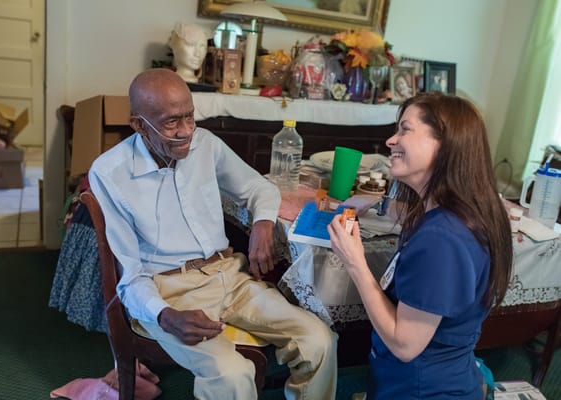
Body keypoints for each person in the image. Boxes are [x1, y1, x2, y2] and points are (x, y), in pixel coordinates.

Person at [88, 68, 337, 400]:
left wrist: (263, 222)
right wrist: (164, 315)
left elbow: (258, 188)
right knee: (232, 374)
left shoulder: (206, 144)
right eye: (171, 122)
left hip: (229, 276)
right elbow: (129, 272)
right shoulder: (109, 173)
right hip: (168, 290)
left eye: (190, 117)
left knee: (318, 339)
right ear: (138, 125)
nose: (186, 131)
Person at [328, 92, 512, 399]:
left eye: (404, 129)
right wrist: (376, 202)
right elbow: (410, 212)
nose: (390, 140)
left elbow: (404, 345)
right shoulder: (467, 210)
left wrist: (355, 261)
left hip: (421, 388)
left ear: (444, 144)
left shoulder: (440, 239)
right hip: (444, 375)